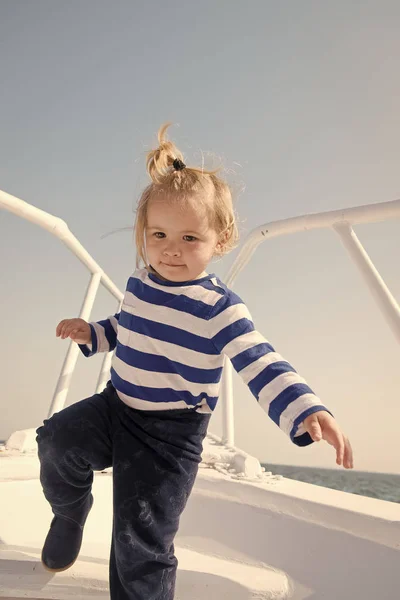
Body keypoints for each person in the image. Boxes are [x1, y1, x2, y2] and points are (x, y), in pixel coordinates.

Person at [36, 122, 353, 599]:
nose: (170, 249)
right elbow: (127, 327)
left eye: (189, 238)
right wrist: (94, 333)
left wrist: (306, 408)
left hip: (170, 434)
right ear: (143, 234)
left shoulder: (219, 307)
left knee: (138, 539)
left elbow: (258, 359)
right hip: (115, 405)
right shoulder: (140, 283)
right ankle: (69, 511)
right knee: (56, 441)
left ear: (220, 240)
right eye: (159, 234)